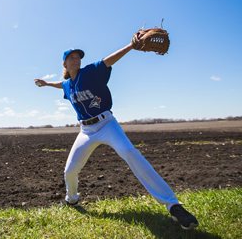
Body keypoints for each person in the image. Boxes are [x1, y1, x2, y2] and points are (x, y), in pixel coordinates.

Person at [34, 43, 199, 230]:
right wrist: (46, 84)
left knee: (129, 152)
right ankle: (72, 199)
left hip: (106, 124)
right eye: (72, 57)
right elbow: (61, 84)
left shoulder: (89, 72)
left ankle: (173, 205)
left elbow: (107, 60)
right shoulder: (68, 85)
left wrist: (131, 46)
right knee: (70, 171)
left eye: (78, 56)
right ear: (65, 64)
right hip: (86, 132)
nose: (77, 59)